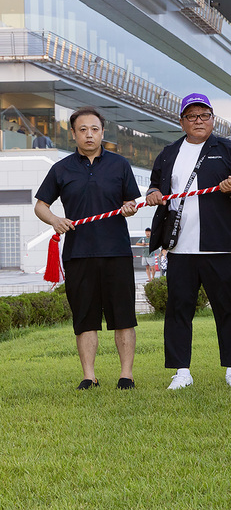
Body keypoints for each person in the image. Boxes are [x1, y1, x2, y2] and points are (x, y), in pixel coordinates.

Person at [34, 106, 140, 390]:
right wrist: (55, 220)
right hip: (78, 254)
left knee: (123, 317)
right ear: (73, 134)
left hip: (116, 252)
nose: (89, 135)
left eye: (94, 129)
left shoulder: (119, 165)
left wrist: (129, 209)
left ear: (102, 132)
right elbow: (40, 206)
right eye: (83, 130)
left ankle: (126, 375)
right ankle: (88, 376)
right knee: (85, 318)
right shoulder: (61, 169)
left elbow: (132, 203)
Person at [146, 93, 231, 390]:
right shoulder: (168, 153)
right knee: (179, 309)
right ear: (182, 122)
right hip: (179, 248)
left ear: (213, 119)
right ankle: (181, 371)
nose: (199, 121)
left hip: (220, 245)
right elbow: (156, 184)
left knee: (228, 308)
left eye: (204, 115)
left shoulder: (228, 150)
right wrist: (153, 191)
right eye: (192, 116)